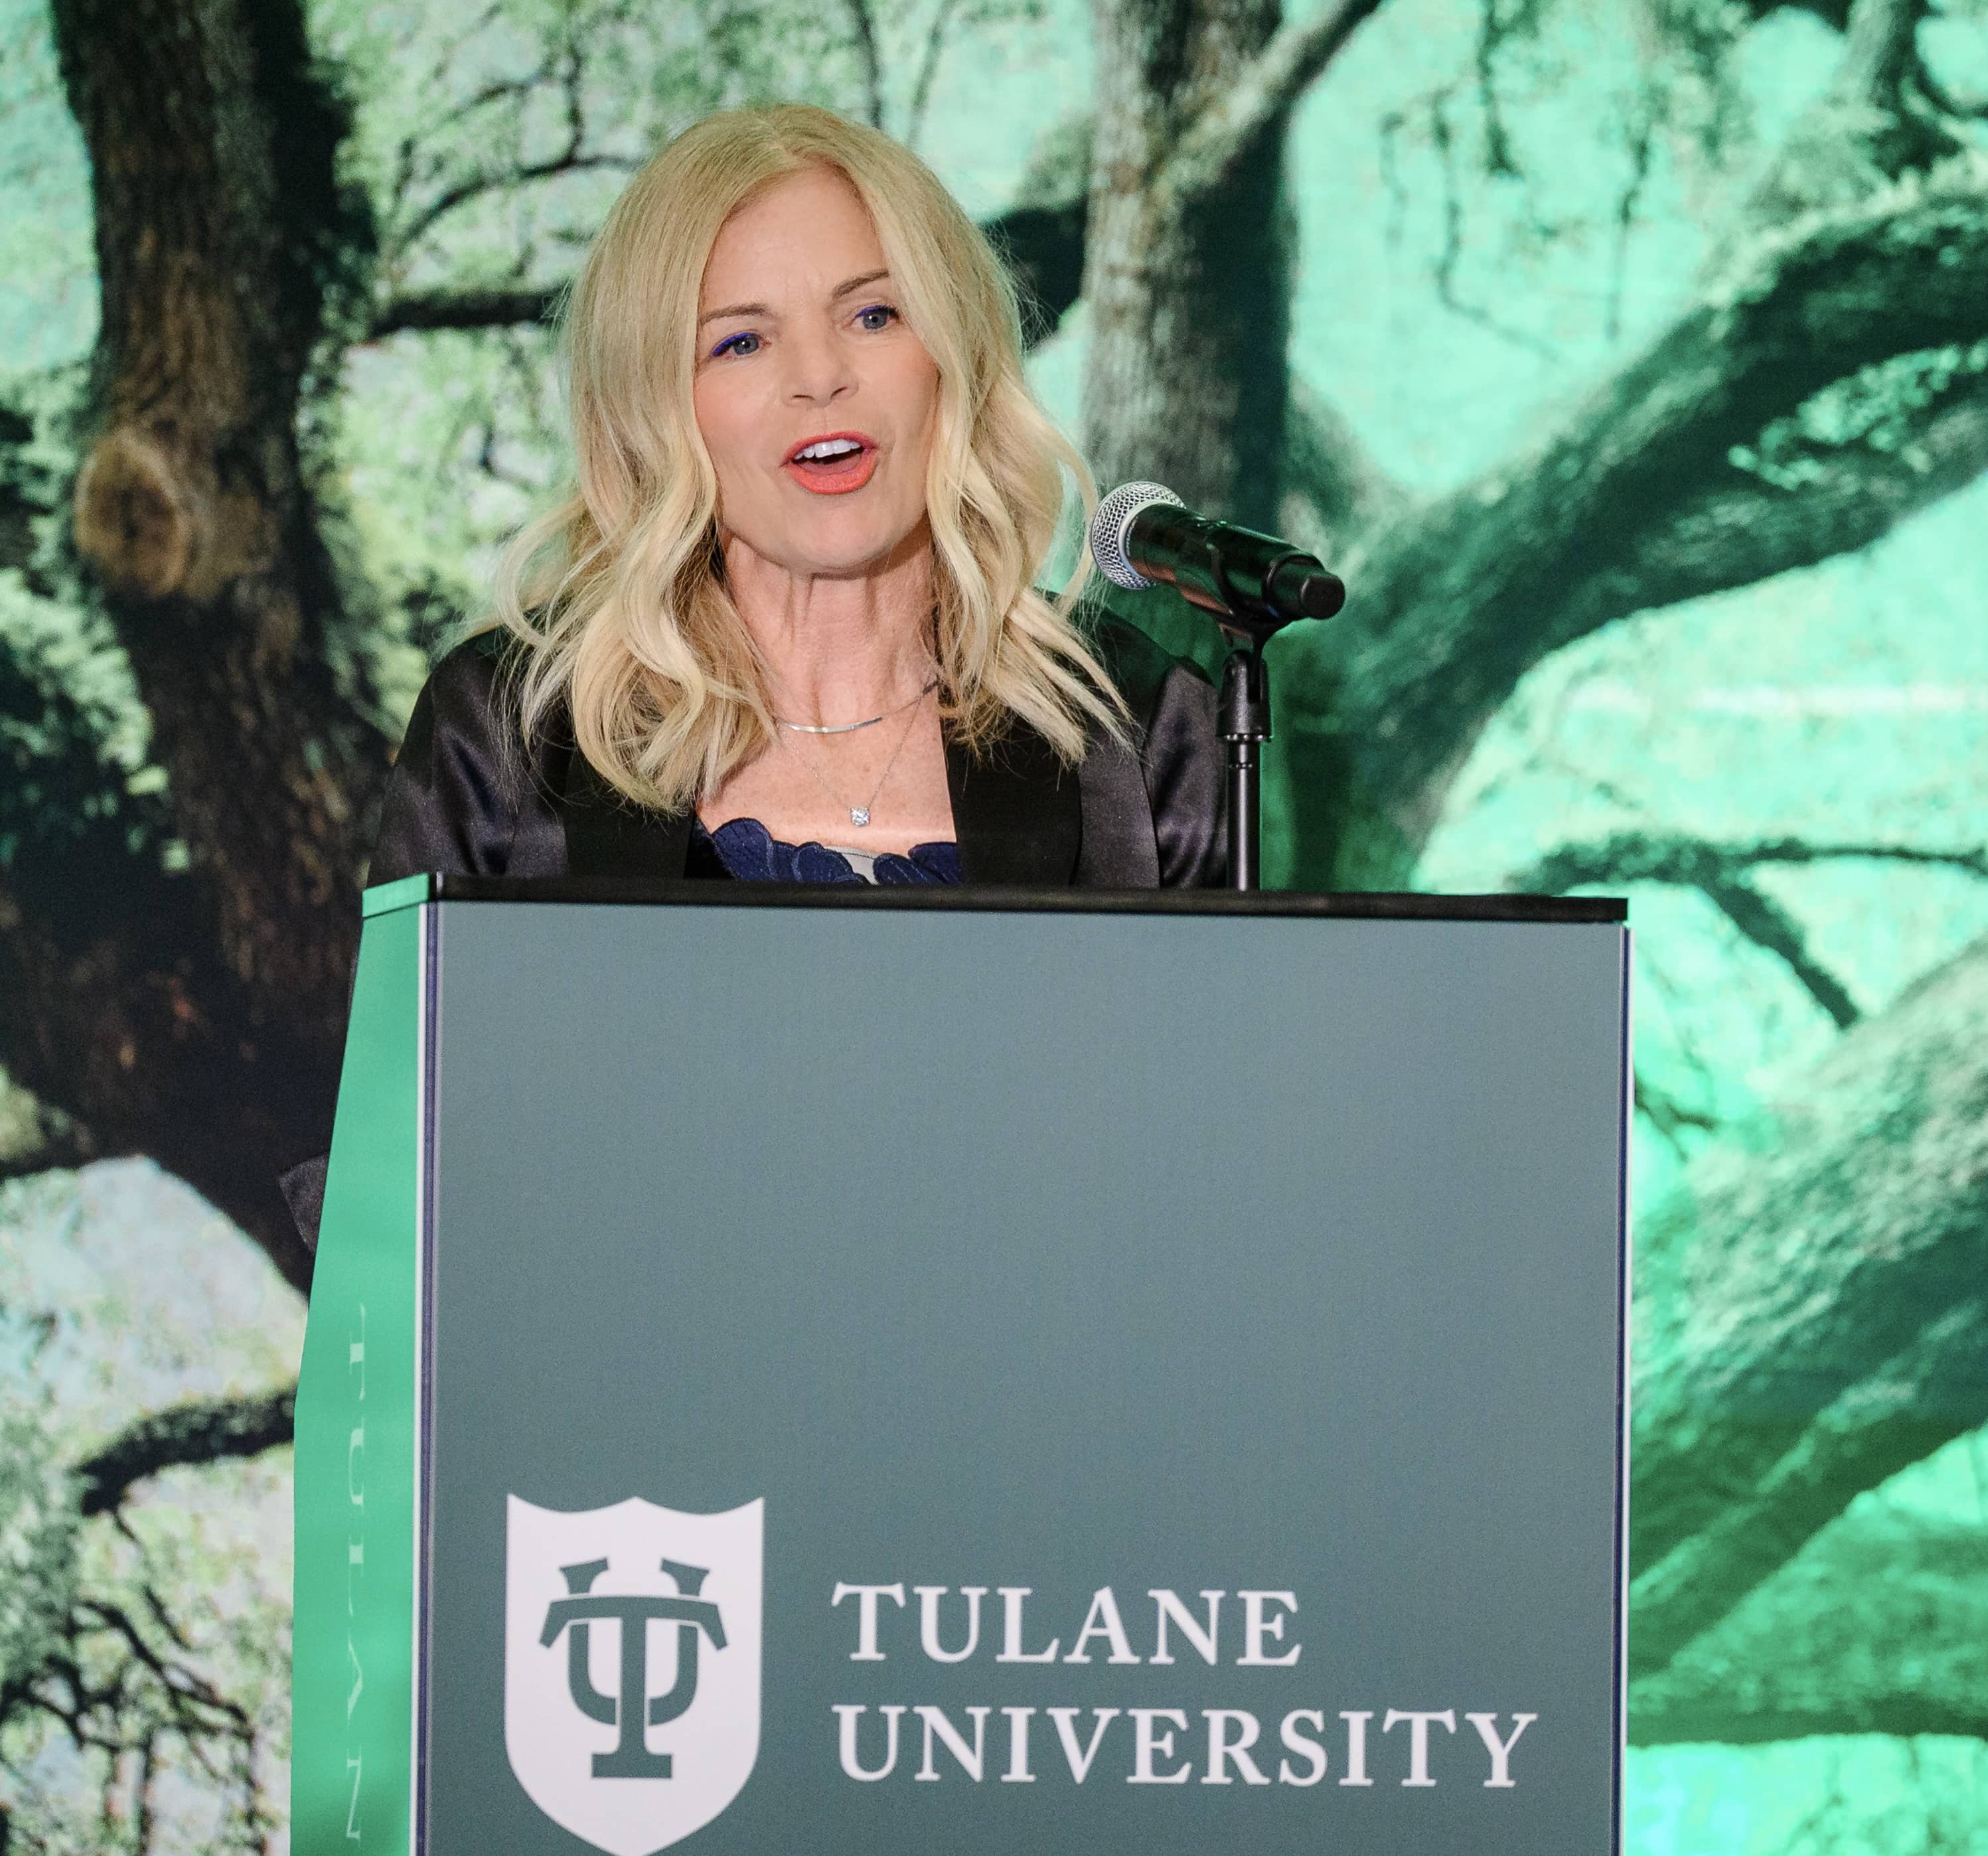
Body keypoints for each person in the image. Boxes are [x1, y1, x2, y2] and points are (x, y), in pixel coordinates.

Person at [369, 102, 1224, 890]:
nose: (819, 376)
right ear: (651, 407)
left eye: (873, 316)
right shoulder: (508, 736)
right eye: (741, 342)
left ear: (952, 356)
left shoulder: (1138, 727)